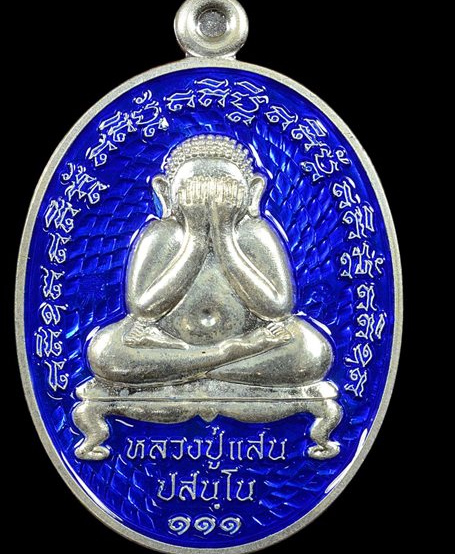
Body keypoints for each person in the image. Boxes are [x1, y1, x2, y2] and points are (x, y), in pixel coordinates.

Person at [87, 135, 333, 388]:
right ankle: (226, 359)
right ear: (165, 193)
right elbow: (143, 309)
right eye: (193, 190)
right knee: (105, 351)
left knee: (311, 350)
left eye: (226, 189)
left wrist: (224, 237)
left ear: (253, 191)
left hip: (246, 338)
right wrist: (195, 239)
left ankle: (191, 369)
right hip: (173, 343)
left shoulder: (254, 233)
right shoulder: (161, 234)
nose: (210, 199)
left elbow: (278, 309)